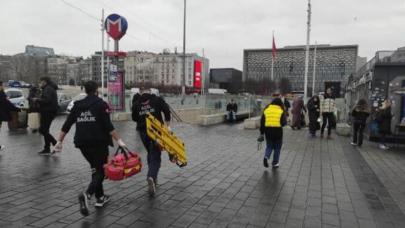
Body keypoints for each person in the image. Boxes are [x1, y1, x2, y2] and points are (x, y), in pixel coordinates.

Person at [53, 81, 127, 216]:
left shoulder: (77, 105)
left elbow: (67, 124)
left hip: (82, 143)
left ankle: (100, 198)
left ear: (85, 90)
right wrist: (120, 141)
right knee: (102, 171)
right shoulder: (101, 104)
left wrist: (59, 141)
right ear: (96, 90)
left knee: (96, 169)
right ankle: (87, 194)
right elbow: (108, 125)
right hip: (98, 142)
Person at [132, 87, 171, 197]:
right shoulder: (157, 99)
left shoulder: (136, 103)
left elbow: (134, 118)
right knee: (156, 155)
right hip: (156, 132)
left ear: (140, 92)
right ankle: (152, 176)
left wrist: (142, 114)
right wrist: (167, 126)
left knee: (150, 152)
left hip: (143, 132)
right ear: (150, 91)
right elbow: (166, 110)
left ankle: (153, 177)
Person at [258, 98, 287, 169]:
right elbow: (283, 123)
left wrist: (262, 132)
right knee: (277, 148)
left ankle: (266, 157)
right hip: (278, 132)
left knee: (269, 146)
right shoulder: (281, 111)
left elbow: (262, 123)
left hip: (268, 131)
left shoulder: (266, 110)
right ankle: (275, 163)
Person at [33, 77, 59, 155]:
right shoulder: (48, 88)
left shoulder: (48, 89)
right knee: (45, 130)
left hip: (48, 112)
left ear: (44, 82)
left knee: (42, 130)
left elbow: (47, 100)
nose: (39, 84)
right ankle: (47, 148)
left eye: (40, 82)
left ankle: (55, 143)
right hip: (48, 111)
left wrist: (37, 100)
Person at [0, 81, 20, 151]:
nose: (3, 87)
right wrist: (17, 109)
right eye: (2, 86)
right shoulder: (2, 94)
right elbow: (7, 104)